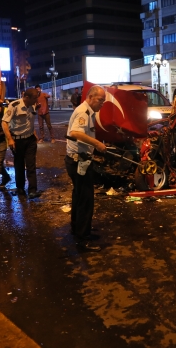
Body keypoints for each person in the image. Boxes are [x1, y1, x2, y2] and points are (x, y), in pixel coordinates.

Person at [65, 86, 107, 251]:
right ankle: (83, 238)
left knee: (79, 196)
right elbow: (75, 132)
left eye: (104, 100)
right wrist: (96, 144)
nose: (102, 103)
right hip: (78, 161)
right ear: (90, 97)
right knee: (86, 199)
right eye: (100, 100)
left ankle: (77, 228)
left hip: (77, 160)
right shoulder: (83, 112)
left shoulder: (88, 111)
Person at [2, 87, 41, 199]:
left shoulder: (32, 104)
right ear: (26, 97)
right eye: (34, 98)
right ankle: (20, 188)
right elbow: (4, 123)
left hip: (30, 140)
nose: (36, 100)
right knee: (19, 165)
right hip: (17, 140)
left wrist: (33, 132)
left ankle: (32, 191)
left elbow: (29, 120)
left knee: (31, 165)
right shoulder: (14, 106)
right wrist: (10, 139)